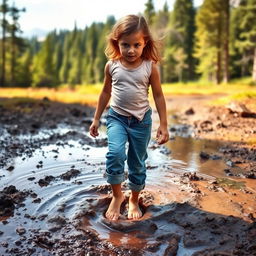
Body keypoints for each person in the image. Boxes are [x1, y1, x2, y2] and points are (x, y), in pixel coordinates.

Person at [89, 14, 169, 221]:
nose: (131, 50)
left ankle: (134, 198)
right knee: (115, 154)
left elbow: (159, 96)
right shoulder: (112, 65)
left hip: (142, 122)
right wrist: (96, 119)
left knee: (137, 162)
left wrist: (164, 125)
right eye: (125, 45)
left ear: (145, 44)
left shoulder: (150, 67)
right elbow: (105, 93)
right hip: (116, 118)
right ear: (117, 43)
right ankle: (117, 196)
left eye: (136, 45)